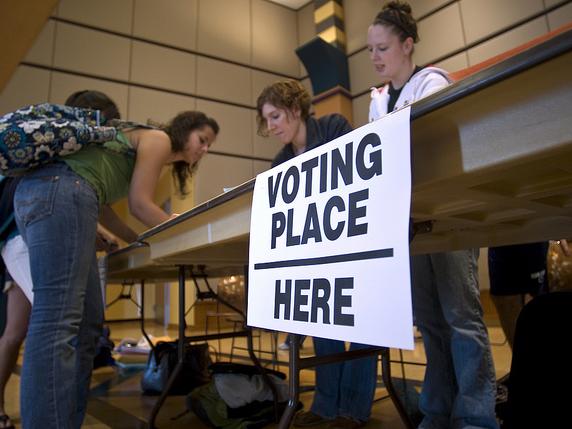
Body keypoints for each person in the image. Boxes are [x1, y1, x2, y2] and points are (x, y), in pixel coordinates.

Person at [11, 95, 218, 428]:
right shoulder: (159, 139)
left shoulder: (124, 147)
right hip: (62, 193)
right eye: (202, 139)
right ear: (185, 130)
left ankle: (65, 420)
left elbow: (102, 200)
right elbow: (140, 204)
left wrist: (130, 240)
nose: (204, 149)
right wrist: (181, 225)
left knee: (87, 326)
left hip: (55, 194)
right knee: (58, 324)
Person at [367, 2, 498, 428]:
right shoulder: (379, 100)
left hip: (448, 214)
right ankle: (438, 410)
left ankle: (477, 416)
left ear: (407, 45)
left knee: (461, 319)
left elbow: (428, 148)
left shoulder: (431, 83)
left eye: (382, 47)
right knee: (431, 322)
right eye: (370, 50)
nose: (375, 57)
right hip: (411, 222)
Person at [0, 90, 136, 429]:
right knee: (56, 322)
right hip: (19, 239)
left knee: (50, 327)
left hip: (20, 236)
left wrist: (101, 233)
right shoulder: (64, 159)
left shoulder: (47, 154)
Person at [256, 79, 376, 429]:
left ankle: (352, 411)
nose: (271, 126)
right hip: (316, 251)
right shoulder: (280, 160)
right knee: (322, 323)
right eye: (267, 120)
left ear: (295, 109)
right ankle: (326, 406)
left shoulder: (335, 126)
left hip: (354, 241)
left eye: (275, 116)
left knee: (366, 324)